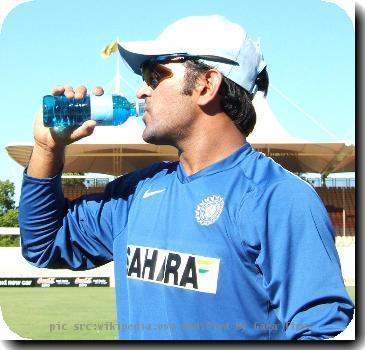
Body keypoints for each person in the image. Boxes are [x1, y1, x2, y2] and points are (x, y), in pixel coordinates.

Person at [19, 15, 354, 340]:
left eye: (154, 76)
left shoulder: (278, 198)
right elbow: (43, 244)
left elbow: (321, 330)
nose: (140, 92)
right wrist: (47, 148)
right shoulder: (137, 192)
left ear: (207, 85)